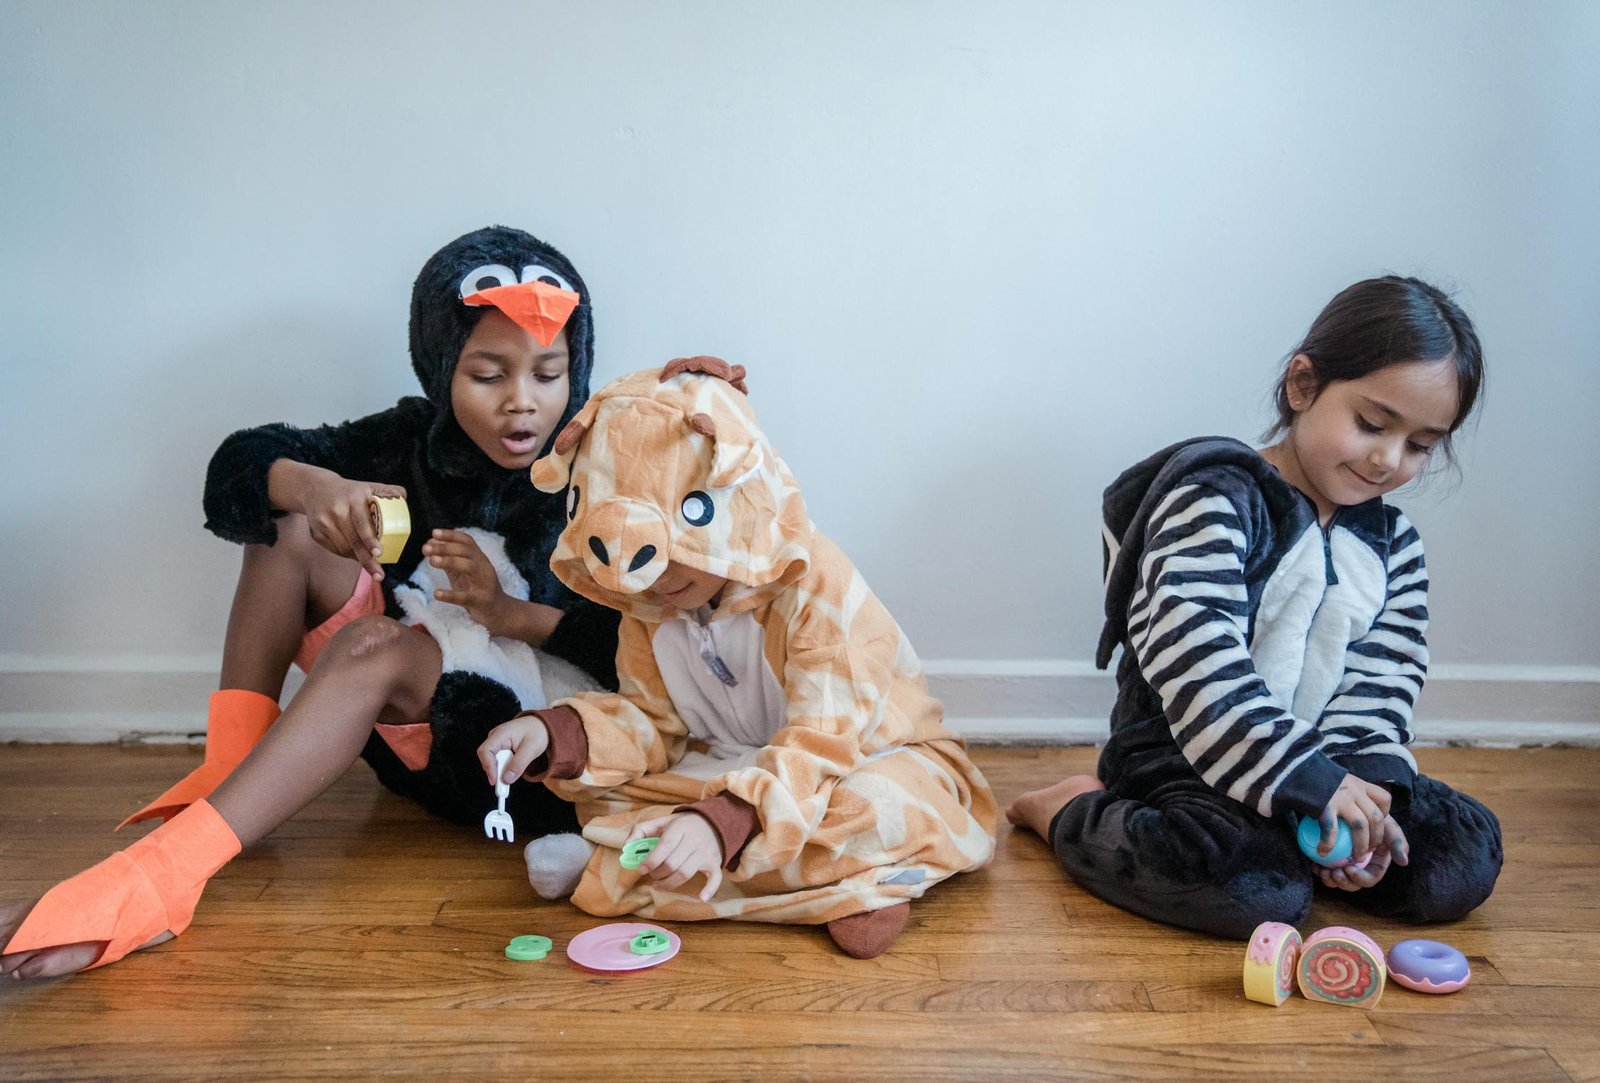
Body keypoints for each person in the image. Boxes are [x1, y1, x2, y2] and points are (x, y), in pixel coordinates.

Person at [0, 225, 617, 978]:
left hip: (526, 762)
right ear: (441, 369)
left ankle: (164, 875)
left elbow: (641, 655)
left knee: (371, 645)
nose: (523, 404)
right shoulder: (408, 442)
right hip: (416, 736)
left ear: (576, 369)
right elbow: (237, 466)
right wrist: (316, 488)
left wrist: (507, 614)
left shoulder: (604, 462)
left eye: (549, 374)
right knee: (285, 527)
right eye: (489, 375)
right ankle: (225, 782)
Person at [1006, 276, 1502, 939]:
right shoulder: (1215, 500)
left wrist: (1365, 803)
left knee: (1461, 858)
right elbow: (1200, 668)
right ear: (1303, 385)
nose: (1389, 460)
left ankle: (1302, 847)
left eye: (1419, 445)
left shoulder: (1396, 546)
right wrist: (1306, 779)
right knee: (1252, 894)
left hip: (1320, 769)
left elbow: (1383, 686)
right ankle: (1073, 811)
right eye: (1372, 425)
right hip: (1185, 759)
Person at [479, 356, 998, 959]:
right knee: (610, 793)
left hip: (853, 761)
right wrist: (554, 731)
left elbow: (824, 742)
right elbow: (654, 723)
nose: (661, 579)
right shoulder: (649, 609)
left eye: (684, 540)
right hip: (733, 764)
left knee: (881, 807)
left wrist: (721, 822)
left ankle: (620, 870)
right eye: (641, 561)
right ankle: (818, 883)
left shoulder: (817, 585)